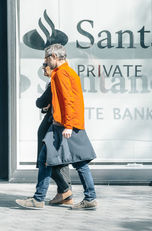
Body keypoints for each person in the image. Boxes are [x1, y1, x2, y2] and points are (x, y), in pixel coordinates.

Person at [16, 44, 97, 210]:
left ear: (54, 56)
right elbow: (63, 100)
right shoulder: (66, 73)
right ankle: (89, 197)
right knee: (71, 162)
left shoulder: (61, 74)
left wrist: (68, 125)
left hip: (65, 126)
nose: (45, 63)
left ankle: (40, 199)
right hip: (66, 124)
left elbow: (68, 101)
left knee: (61, 161)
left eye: (47, 59)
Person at [36, 62, 72, 205]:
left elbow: (41, 102)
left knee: (47, 160)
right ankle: (64, 195)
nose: (43, 66)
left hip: (52, 126)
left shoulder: (54, 82)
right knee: (59, 161)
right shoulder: (56, 81)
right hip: (56, 124)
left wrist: (40, 103)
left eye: (45, 64)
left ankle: (64, 191)